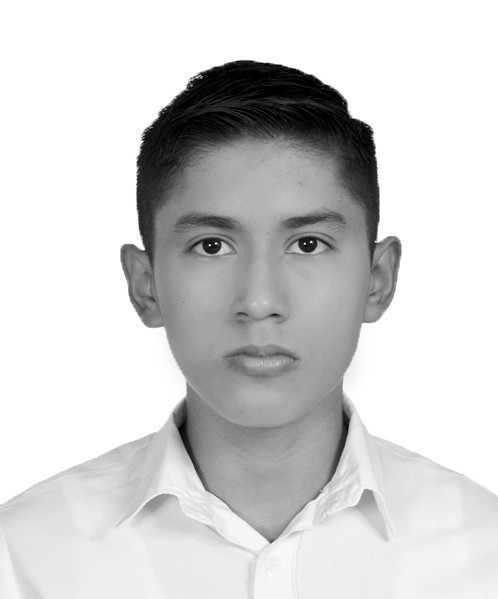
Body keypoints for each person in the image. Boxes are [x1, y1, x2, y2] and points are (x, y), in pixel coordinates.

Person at [1, 60, 497, 598]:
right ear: (146, 286)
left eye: (307, 244)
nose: (259, 302)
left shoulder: (485, 552)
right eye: (212, 245)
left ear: (378, 280)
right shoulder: (24, 557)